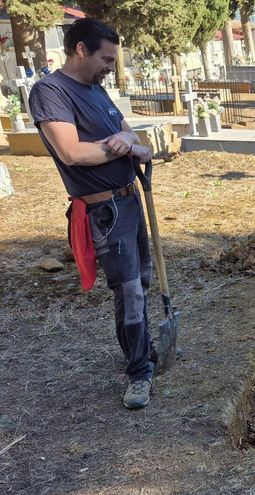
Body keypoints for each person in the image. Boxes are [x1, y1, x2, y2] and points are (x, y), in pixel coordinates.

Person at [29, 19, 155, 409]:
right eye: (106, 58)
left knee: (141, 282)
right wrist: (124, 146)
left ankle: (144, 353)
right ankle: (139, 375)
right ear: (81, 49)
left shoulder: (97, 90)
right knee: (129, 290)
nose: (110, 67)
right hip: (105, 210)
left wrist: (130, 141)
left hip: (129, 198)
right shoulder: (50, 91)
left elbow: (132, 134)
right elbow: (72, 153)